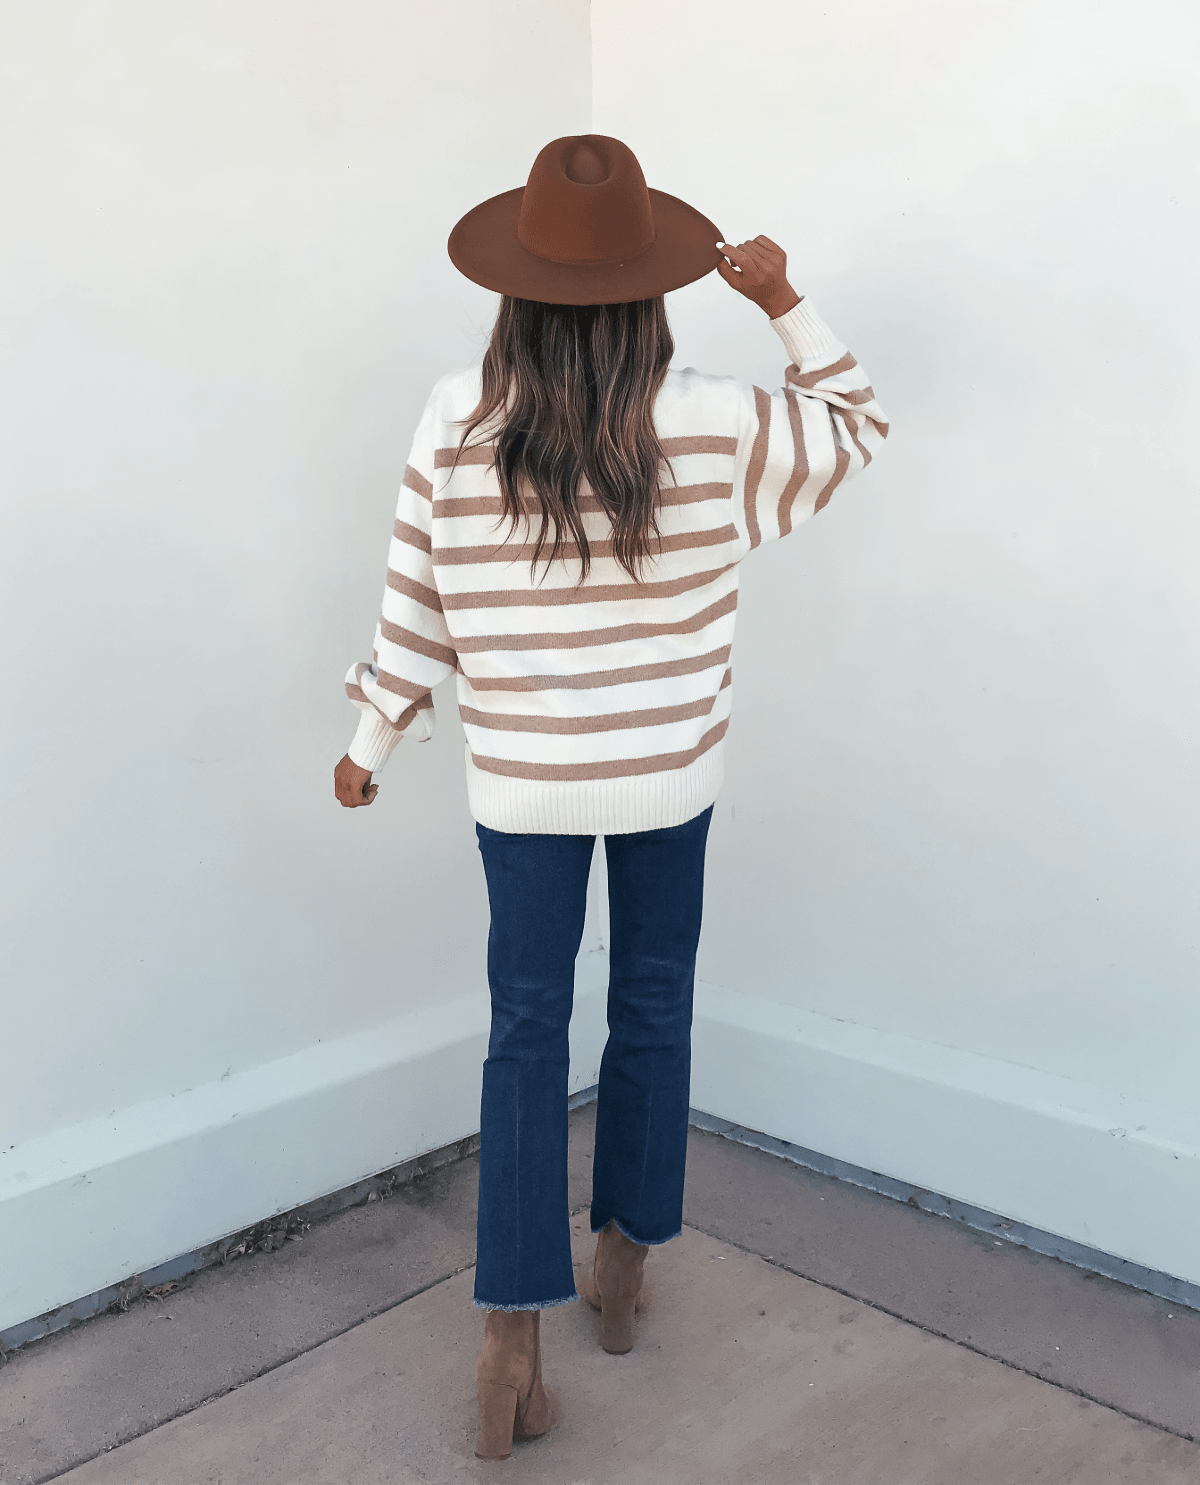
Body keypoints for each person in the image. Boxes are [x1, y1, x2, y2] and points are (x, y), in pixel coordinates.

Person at [333, 133, 888, 1461]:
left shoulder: (454, 415)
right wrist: (783, 299)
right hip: (668, 774)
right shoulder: (714, 415)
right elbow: (857, 428)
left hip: (521, 782)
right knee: (652, 1004)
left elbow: (417, 593)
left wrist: (373, 729)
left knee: (523, 1030)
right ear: (651, 289)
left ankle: (507, 1339)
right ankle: (624, 1268)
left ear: (513, 287)